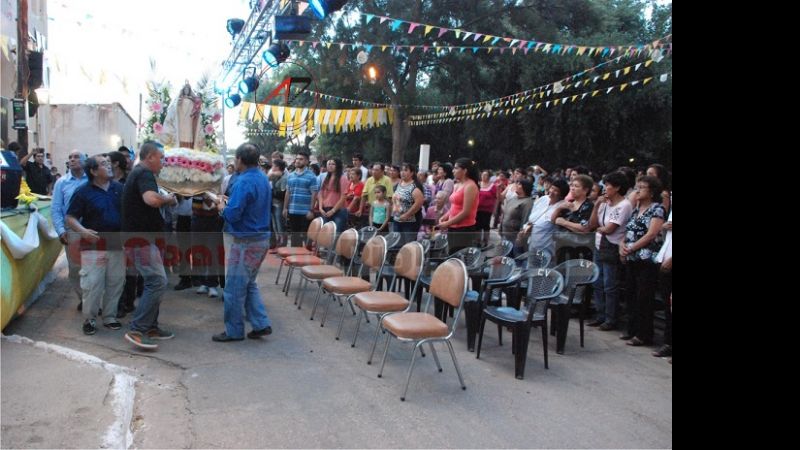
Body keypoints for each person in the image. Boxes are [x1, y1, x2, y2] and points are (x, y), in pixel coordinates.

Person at [212, 143, 273, 342]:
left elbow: (232, 214)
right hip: (260, 238)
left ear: (239, 160)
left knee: (233, 289)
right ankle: (261, 323)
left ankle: (234, 331)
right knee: (248, 284)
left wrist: (221, 205)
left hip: (246, 240)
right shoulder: (263, 178)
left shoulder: (244, 181)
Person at [122, 142, 178, 350]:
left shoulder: (140, 173)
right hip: (140, 240)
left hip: (146, 239)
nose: (163, 163)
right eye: (161, 158)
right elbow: (151, 200)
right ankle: (137, 329)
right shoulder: (144, 174)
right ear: (150, 157)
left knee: (154, 282)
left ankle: (151, 326)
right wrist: (168, 200)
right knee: (157, 281)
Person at [65, 154, 125, 335]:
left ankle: (109, 317)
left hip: (117, 244)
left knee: (115, 282)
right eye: (104, 164)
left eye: (109, 163)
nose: (109, 167)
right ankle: (90, 319)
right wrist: (82, 231)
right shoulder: (83, 192)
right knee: (92, 283)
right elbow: (70, 217)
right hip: (93, 246)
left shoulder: (120, 189)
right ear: (92, 171)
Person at [620, 175, 666, 347]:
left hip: (646, 259)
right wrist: (622, 246)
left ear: (652, 191)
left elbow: (651, 234)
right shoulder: (635, 209)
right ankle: (632, 329)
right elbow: (628, 231)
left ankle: (644, 334)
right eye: (636, 187)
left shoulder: (657, 209)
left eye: (642, 187)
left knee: (644, 297)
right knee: (631, 294)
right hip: (631, 257)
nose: (637, 190)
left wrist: (631, 248)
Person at [587, 172, 633, 331]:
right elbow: (592, 224)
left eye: (609, 186)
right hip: (599, 245)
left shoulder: (624, 205)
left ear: (618, 187)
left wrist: (600, 229)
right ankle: (600, 315)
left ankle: (611, 318)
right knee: (597, 282)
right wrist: (597, 206)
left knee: (609, 284)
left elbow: (609, 229)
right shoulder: (605, 203)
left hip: (612, 246)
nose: (605, 188)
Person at [51, 150, 88, 310]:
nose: (72, 160)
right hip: (72, 232)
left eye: (76, 157)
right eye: (70, 157)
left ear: (85, 161)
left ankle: (93, 298)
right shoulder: (62, 183)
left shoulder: (92, 180)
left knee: (95, 267)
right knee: (75, 268)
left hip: (92, 229)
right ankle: (84, 298)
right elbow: (56, 208)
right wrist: (60, 230)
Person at [438, 158, 480, 253]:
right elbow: (454, 206)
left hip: (464, 228)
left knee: (459, 256)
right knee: (451, 254)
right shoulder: (457, 184)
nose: (453, 171)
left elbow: (466, 212)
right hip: (453, 226)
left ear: (465, 171)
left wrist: (447, 223)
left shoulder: (470, 186)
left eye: (456, 168)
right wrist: (444, 217)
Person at [283, 151, 319, 247]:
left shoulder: (312, 176)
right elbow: (288, 192)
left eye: (301, 159)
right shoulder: (290, 175)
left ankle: (307, 259)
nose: (298, 161)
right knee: (295, 238)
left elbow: (314, 194)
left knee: (307, 239)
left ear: (307, 161)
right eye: (297, 159)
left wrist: (311, 210)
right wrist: (285, 208)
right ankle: (294, 260)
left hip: (305, 212)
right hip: (293, 211)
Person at [391, 163, 425, 244]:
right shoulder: (398, 184)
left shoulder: (415, 186)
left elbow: (419, 203)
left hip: (410, 222)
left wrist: (406, 215)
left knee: (408, 245)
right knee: (397, 244)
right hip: (397, 219)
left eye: (405, 170)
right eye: (401, 170)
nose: (402, 172)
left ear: (412, 173)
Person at [318, 158, 350, 233]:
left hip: (339, 210)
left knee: (336, 233)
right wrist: (320, 208)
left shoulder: (342, 178)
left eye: (333, 164)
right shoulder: (325, 178)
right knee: (325, 233)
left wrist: (333, 210)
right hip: (325, 209)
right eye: (329, 164)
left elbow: (343, 197)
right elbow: (320, 194)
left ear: (337, 166)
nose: (330, 166)